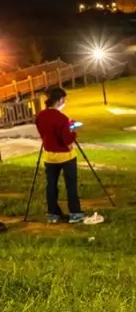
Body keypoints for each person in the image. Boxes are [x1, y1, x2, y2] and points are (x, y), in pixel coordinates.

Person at [34, 86, 84, 224]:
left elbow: (43, 133)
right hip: (65, 156)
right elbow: (67, 140)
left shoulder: (40, 116)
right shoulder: (62, 118)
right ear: (60, 100)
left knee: (51, 185)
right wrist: (73, 130)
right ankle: (75, 213)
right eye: (64, 100)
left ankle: (53, 214)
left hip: (49, 156)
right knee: (71, 185)